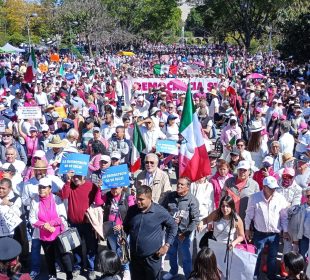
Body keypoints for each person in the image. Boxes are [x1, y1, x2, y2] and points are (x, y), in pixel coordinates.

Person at [123, 185, 177, 280]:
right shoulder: (132, 210)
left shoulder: (160, 212)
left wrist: (167, 245)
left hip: (152, 258)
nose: (138, 202)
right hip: (135, 258)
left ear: (150, 198)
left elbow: (173, 226)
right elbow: (126, 227)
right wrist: (123, 237)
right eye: (136, 199)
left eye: (141, 199)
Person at [245, 176, 289, 280]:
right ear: (264, 187)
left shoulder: (280, 198)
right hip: (259, 234)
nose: (273, 190)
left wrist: (285, 230)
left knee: (272, 258)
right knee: (256, 257)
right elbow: (248, 215)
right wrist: (247, 229)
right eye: (271, 188)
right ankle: (254, 277)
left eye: (274, 188)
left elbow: (284, 216)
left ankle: (271, 277)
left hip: (275, 234)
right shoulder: (254, 197)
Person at [29, 177, 73, 280]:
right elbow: (32, 219)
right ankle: (52, 275)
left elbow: (63, 217)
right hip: (44, 234)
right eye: (40, 187)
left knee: (64, 256)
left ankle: (69, 276)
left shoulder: (57, 199)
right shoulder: (34, 201)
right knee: (49, 256)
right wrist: (43, 225)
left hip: (59, 233)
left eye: (44, 188)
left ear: (49, 189)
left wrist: (51, 224)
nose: (41, 190)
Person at [58, 171, 98, 279]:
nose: (75, 178)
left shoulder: (91, 186)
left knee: (91, 247)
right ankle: (77, 266)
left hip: (88, 223)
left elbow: (98, 201)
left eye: (78, 176)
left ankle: (91, 269)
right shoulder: (69, 185)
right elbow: (63, 195)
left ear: (84, 175)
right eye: (73, 176)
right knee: (75, 246)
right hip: (74, 223)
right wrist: (67, 181)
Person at [161, 177, 200, 280]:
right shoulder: (170, 196)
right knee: (172, 253)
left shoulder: (192, 200)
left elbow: (195, 220)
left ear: (188, 187)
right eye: (178, 184)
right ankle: (173, 271)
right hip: (170, 233)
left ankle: (188, 276)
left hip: (183, 234)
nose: (179, 186)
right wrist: (168, 220)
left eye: (182, 185)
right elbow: (162, 210)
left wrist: (185, 234)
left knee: (186, 257)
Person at [94, 186, 135, 279]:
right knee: (114, 250)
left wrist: (122, 225)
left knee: (123, 250)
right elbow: (98, 202)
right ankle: (116, 268)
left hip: (122, 229)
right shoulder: (108, 195)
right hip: (110, 228)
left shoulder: (127, 197)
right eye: (112, 188)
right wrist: (99, 189)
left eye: (116, 188)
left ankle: (126, 269)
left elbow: (133, 213)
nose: (114, 190)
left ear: (121, 188)